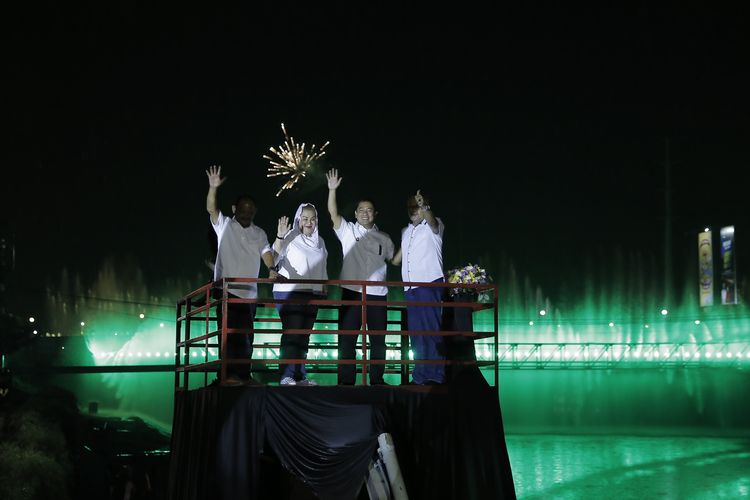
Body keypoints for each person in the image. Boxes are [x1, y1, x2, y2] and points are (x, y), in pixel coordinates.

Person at [206, 165, 277, 385]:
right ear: (235, 208)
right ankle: (225, 375)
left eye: (251, 210)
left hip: (249, 294)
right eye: (243, 209)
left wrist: (272, 269)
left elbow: (266, 253)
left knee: (246, 337)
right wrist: (213, 187)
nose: (247, 213)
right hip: (227, 291)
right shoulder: (225, 225)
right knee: (226, 336)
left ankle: (244, 375)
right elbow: (211, 209)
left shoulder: (259, 233)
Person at [326, 168, 395, 385]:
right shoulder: (348, 231)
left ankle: (377, 379)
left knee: (378, 341)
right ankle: (346, 381)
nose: (365, 213)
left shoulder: (385, 237)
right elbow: (333, 213)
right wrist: (332, 190)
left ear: (375, 214)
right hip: (352, 293)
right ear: (355, 214)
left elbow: (395, 260)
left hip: (377, 294)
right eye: (361, 210)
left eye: (369, 210)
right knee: (347, 340)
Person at [391, 190, 446, 385]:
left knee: (430, 330)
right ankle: (420, 375)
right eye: (411, 207)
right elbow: (396, 260)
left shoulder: (435, 225)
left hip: (428, 282)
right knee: (416, 333)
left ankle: (436, 375)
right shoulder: (406, 231)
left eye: (418, 205)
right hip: (410, 287)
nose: (414, 210)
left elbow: (431, 221)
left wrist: (426, 207)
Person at [272, 203, 328, 386]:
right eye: (305, 218)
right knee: (293, 334)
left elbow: (322, 266)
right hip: (289, 292)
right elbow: (273, 258)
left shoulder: (320, 241)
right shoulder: (290, 236)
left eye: (313, 219)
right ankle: (286, 375)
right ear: (298, 219)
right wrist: (280, 235)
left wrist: (323, 287)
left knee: (304, 335)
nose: (309, 222)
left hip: (312, 293)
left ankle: (300, 375)